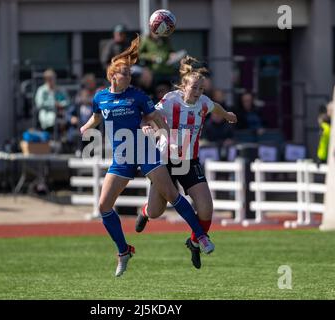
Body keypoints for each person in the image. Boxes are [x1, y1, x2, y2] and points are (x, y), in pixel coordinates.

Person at [80, 37, 214, 277]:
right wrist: (85, 127)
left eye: (131, 74)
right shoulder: (100, 97)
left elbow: (156, 118)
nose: (129, 78)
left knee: (172, 195)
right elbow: (97, 117)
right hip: (122, 158)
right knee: (103, 206)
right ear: (113, 76)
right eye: (125, 74)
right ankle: (123, 251)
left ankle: (201, 237)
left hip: (145, 152)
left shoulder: (138, 96)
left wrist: (162, 135)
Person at [135, 56, 237, 269]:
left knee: (207, 209)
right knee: (156, 211)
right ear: (184, 86)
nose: (198, 92)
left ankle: (193, 242)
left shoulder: (204, 103)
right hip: (165, 161)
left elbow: (215, 106)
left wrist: (227, 115)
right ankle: (145, 211)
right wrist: (147, 126)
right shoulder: (170, 100)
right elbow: (150, 114)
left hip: (190, 161)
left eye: (201, 88)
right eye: (194, 87)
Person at [34, 69, 70, 134]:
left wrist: (60, 104)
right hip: (46, 115)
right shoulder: (41, 90)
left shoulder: (60, 90)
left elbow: (67, 102)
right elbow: (39, 104)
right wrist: (53, 104)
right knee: (54, 120)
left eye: (52, 78)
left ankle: (64, 140)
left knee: (69, 120)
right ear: (45, 79)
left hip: (61, 114)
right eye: (49, 79)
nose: (51, 80)